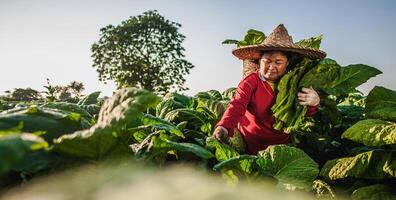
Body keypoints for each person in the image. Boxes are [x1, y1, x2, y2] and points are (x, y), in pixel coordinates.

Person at [213, 24, 326, 154]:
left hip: (279, 149)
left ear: (287, 64)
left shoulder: (294, 83)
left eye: (278, 62)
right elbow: (237, 105)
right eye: (267, 61)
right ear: (260, 61)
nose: (272, 67)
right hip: (248, 143)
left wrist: (314, 103)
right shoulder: (251, 81)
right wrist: (223, 127)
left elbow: (303, 112)